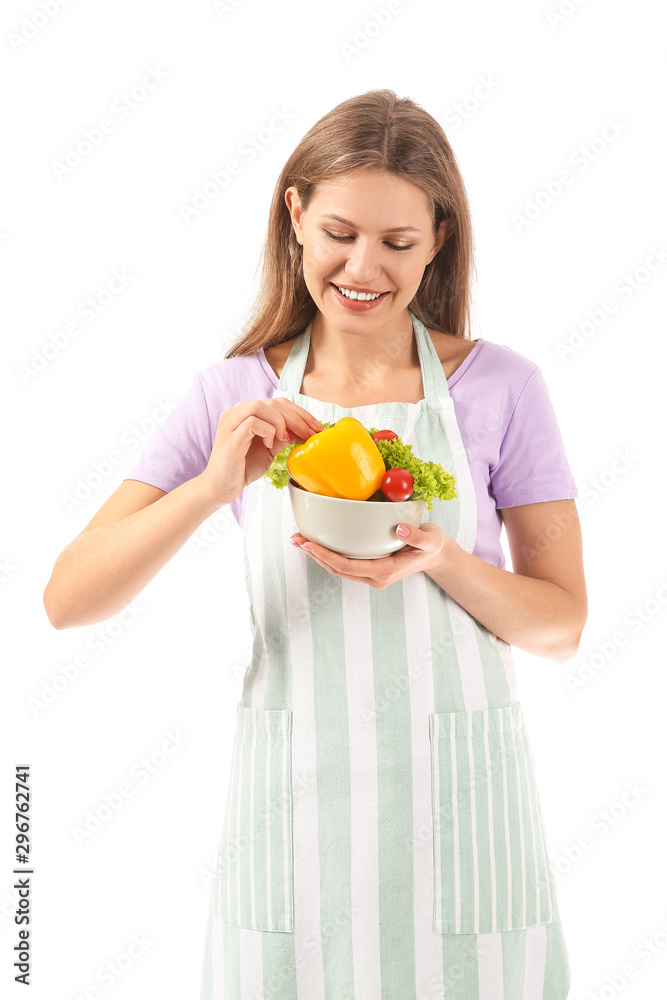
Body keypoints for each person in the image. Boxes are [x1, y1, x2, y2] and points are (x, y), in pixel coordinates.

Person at [43, 89, 587, 1000]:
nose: (362, 267)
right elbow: (68, 601)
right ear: (293, 215)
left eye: (397, 243)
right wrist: (215, 486)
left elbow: (561, 625)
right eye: (339, 231)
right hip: (293, 828)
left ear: (439, 239)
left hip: (460, 822)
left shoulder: (503, 387)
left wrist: (443, 558)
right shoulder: (232, 395)